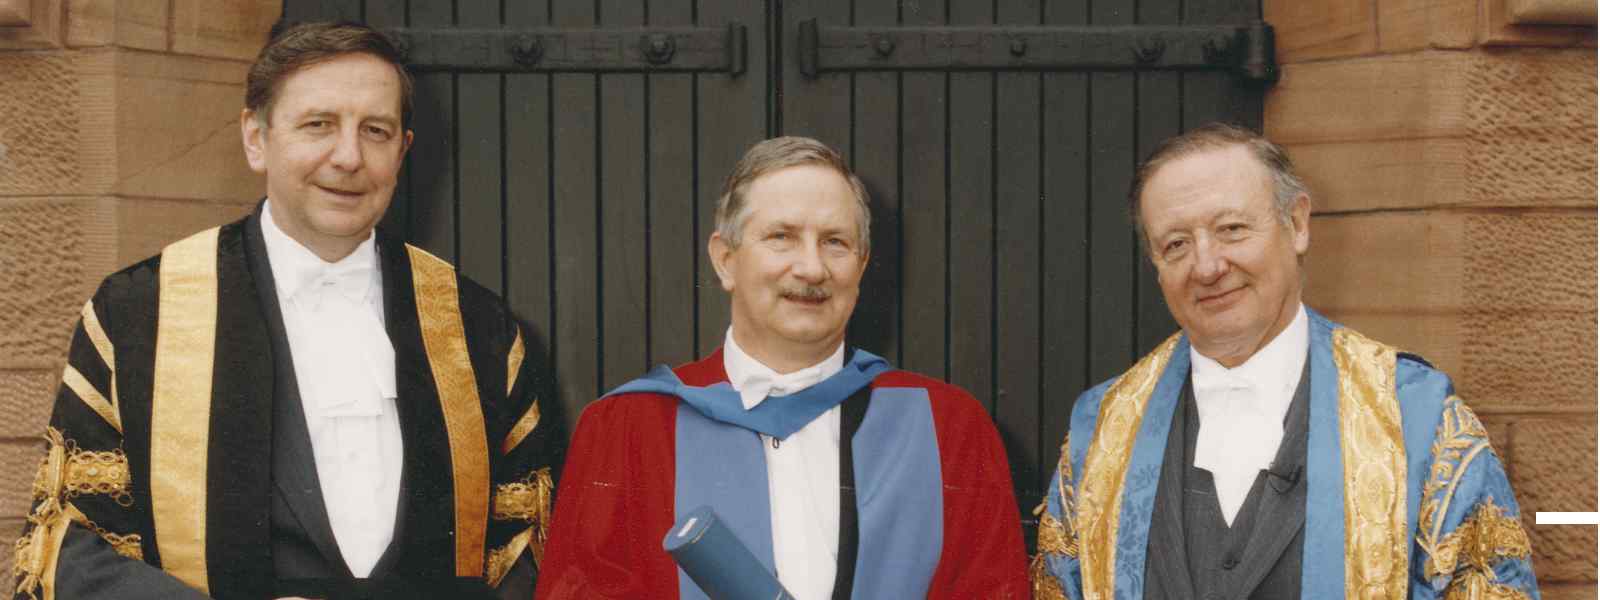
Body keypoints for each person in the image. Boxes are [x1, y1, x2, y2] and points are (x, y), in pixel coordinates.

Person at [11, 22, 556, 600]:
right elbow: (72, 547)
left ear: (403, 151)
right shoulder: (138, 314)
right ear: (256, 138)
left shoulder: (477, 326)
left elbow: (525, 547)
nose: (348, 157)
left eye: (376, 130)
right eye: (318, 125)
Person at [1030, 123, 1538, 599]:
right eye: (1177, 244)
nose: (1207, 266)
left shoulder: (1418, 419)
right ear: (1156, 265)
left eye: (1231, 229)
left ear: (1296, 224)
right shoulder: (1101, 430)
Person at [535, 136, 1030, 599]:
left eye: (835, 241)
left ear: (861, 265)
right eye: (782, 237)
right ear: (725, 260)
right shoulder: (628, 428)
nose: (812, 268)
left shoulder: (949, 428)